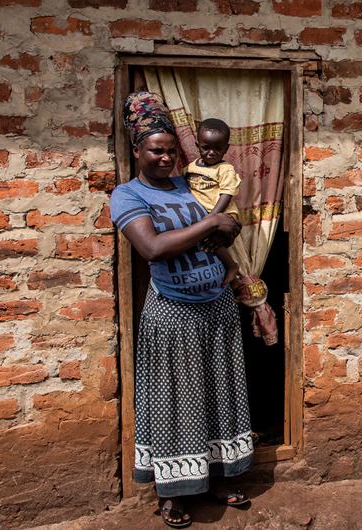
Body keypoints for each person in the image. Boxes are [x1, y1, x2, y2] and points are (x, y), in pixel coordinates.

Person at [111, 92, 254, 528]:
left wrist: (229, 236)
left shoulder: (186, 185)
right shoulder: (127, 194)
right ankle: (172, 492)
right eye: (156, 150)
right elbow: (151, 246)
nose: (166, 158)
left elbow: (215, 228)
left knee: (216, 397)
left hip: (216, 308)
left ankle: (213, 477)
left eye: (172, 150)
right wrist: (211, 223)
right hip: (173, 314)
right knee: (176, 401)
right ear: (137, 150)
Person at [185, 118, 240, 286]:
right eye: (206, 148)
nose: (211, 153)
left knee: (211, 239)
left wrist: (212, 218)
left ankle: (232, 266)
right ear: (197, 145)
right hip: (204, 215)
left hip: (222, 212)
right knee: (205, 242)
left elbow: (227, 194)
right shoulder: (190, 168)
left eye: (218, 149)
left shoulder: (225, 169)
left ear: (226, 149)